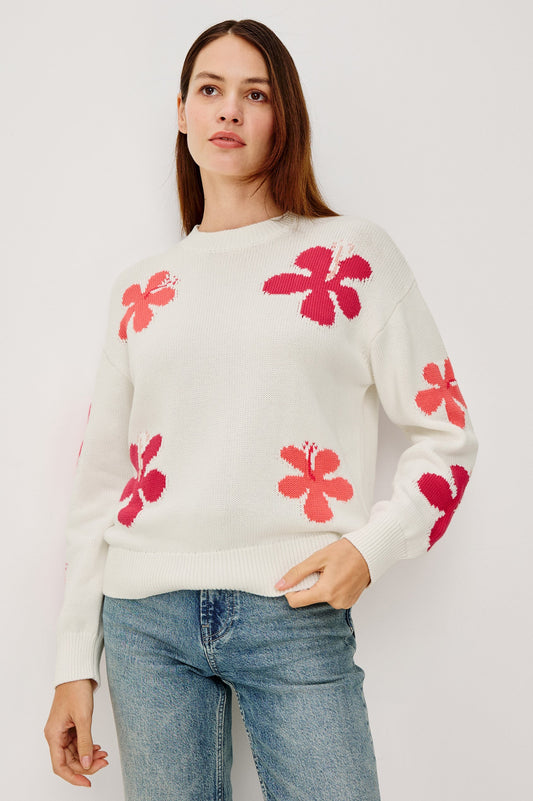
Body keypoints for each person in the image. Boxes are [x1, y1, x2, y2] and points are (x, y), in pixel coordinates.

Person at [44, 18, 478, 800]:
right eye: (210, 90)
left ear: (284, 117)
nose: (228, 110)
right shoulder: (142, 289)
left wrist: (371, 548)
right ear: (181, 112)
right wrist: (74, 661)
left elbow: (447, 435)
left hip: (294, 607)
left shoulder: (351, 256)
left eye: (256, 94)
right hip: (143, 622)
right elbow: (100, 482)